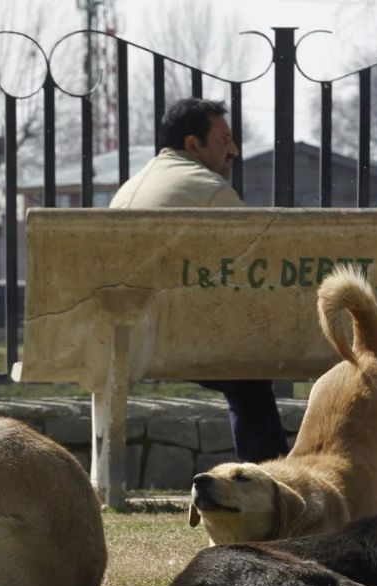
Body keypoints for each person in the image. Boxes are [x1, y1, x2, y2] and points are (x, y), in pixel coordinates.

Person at [110, 98, 287, 463]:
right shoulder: (209, 189)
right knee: (250, 370)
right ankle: (270, 473)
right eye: (224, 140)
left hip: (121, 339)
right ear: (193, 144)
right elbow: (264, 259)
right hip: (177, 340)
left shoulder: (129, 189)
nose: (234, 151)